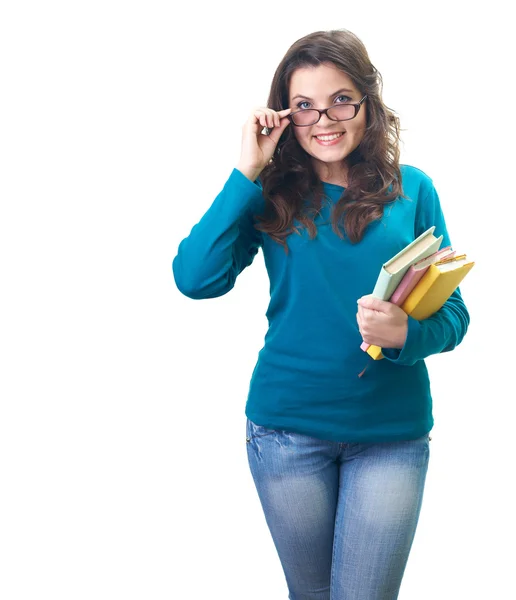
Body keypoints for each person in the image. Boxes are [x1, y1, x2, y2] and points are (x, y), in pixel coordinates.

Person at [172, 28, 470, 600]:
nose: (323, 119)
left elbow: (454, 311)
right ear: (285, 115)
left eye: (339, 100)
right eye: (303, 105)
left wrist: (407, 332)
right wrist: (246, 172)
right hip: (287, 433)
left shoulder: (413, 189)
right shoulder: (268, 192)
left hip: (390, 434)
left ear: (366, 102)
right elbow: (195, 279)